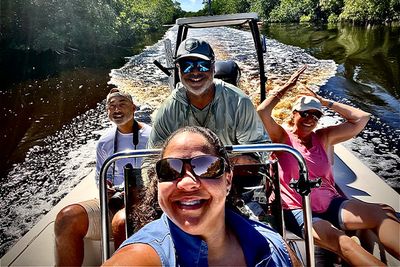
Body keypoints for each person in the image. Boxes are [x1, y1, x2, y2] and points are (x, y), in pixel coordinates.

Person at [257, 66, 400, 266]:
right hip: (298, 209)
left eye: (316, 116)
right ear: (293, 115)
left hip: (331, 203)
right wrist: (286, 87)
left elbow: (361, 118)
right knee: (344, 243)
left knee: (382, 213)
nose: (310, 119)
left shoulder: (324, 137)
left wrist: (327, 103)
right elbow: (263, 111)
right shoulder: (282, 137)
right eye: (306, 114)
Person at [102, 126, 301, 266]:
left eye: (206, 166)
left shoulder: (276, 247)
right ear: (158, 183)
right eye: (170, 169)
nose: (187, 183)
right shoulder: (142, 256)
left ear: (228, 180)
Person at [54, 88, 152, 266]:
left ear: (134, 108)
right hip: (112, 203)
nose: (116, 110)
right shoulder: (104, 142)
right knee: (66, 218)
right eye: (111, 106)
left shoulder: (152, 136)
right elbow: (100, 176)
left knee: (123, 222)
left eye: (122, 104)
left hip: (143, 201)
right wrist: (104, 189)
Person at [148, 37, 268, 148]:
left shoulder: (239, 103)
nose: (195, 72)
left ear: (213, 67)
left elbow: (258, 149)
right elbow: (152, 156)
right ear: (179, 70)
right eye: (187, 66)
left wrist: (244, 160)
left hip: (230, 168)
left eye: (202, 65)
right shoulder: (168, 110)